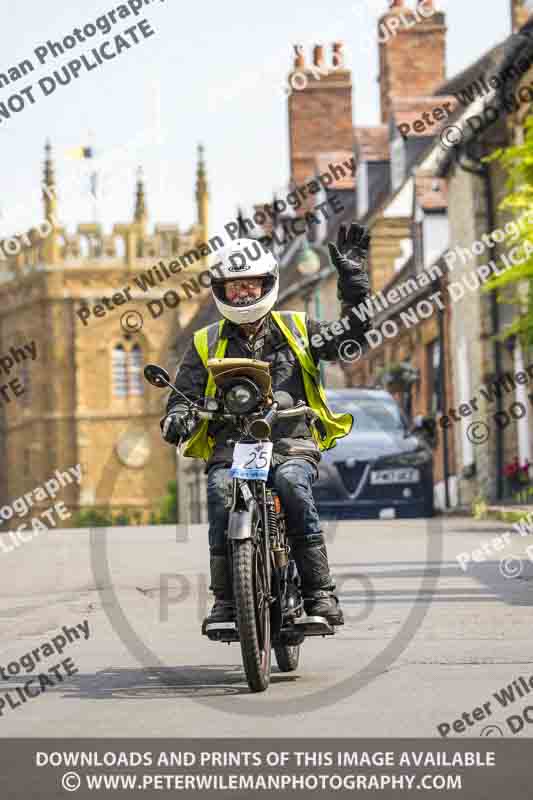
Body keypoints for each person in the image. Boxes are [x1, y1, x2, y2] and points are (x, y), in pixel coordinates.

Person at [160, 223, 372, 626]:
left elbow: (349, 342)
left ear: (266, 284)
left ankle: (319, 593)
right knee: (222, 492)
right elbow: (183, 392)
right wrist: (177, 416)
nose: (243, 293)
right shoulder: (205, 342)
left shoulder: (298, 327)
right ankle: (225, 600)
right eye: (234, 286)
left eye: (251, 284)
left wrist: (355, 285)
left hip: (291, 438)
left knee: (292, 486)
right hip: (232, 444)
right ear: (222, 290)